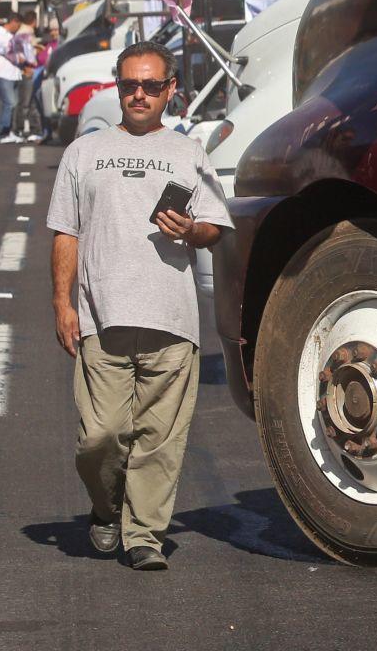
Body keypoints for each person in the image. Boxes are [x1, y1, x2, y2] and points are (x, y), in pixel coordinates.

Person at [47, 42, 230, 571]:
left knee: (159, 440)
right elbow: (65, 231)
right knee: (99, 436)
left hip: (170, 318)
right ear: (118, 87)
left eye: (152, 86)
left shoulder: (188, 153)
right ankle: (106, 509)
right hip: (101, 318)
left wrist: (192, 229)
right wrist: (63, 303)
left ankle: (144, 534)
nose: (140, 95)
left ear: (171, 90)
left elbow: (214, 227)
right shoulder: (84, 152)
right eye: (130, 86)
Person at [0, 12, 25, 144]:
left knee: (13, 104)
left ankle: (10, 131)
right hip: (3, 75)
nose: (18, 28)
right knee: (10, 103)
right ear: (13, 21)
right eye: (18, 25)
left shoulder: (12, 37)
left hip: (14, 74)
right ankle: (3, 133)